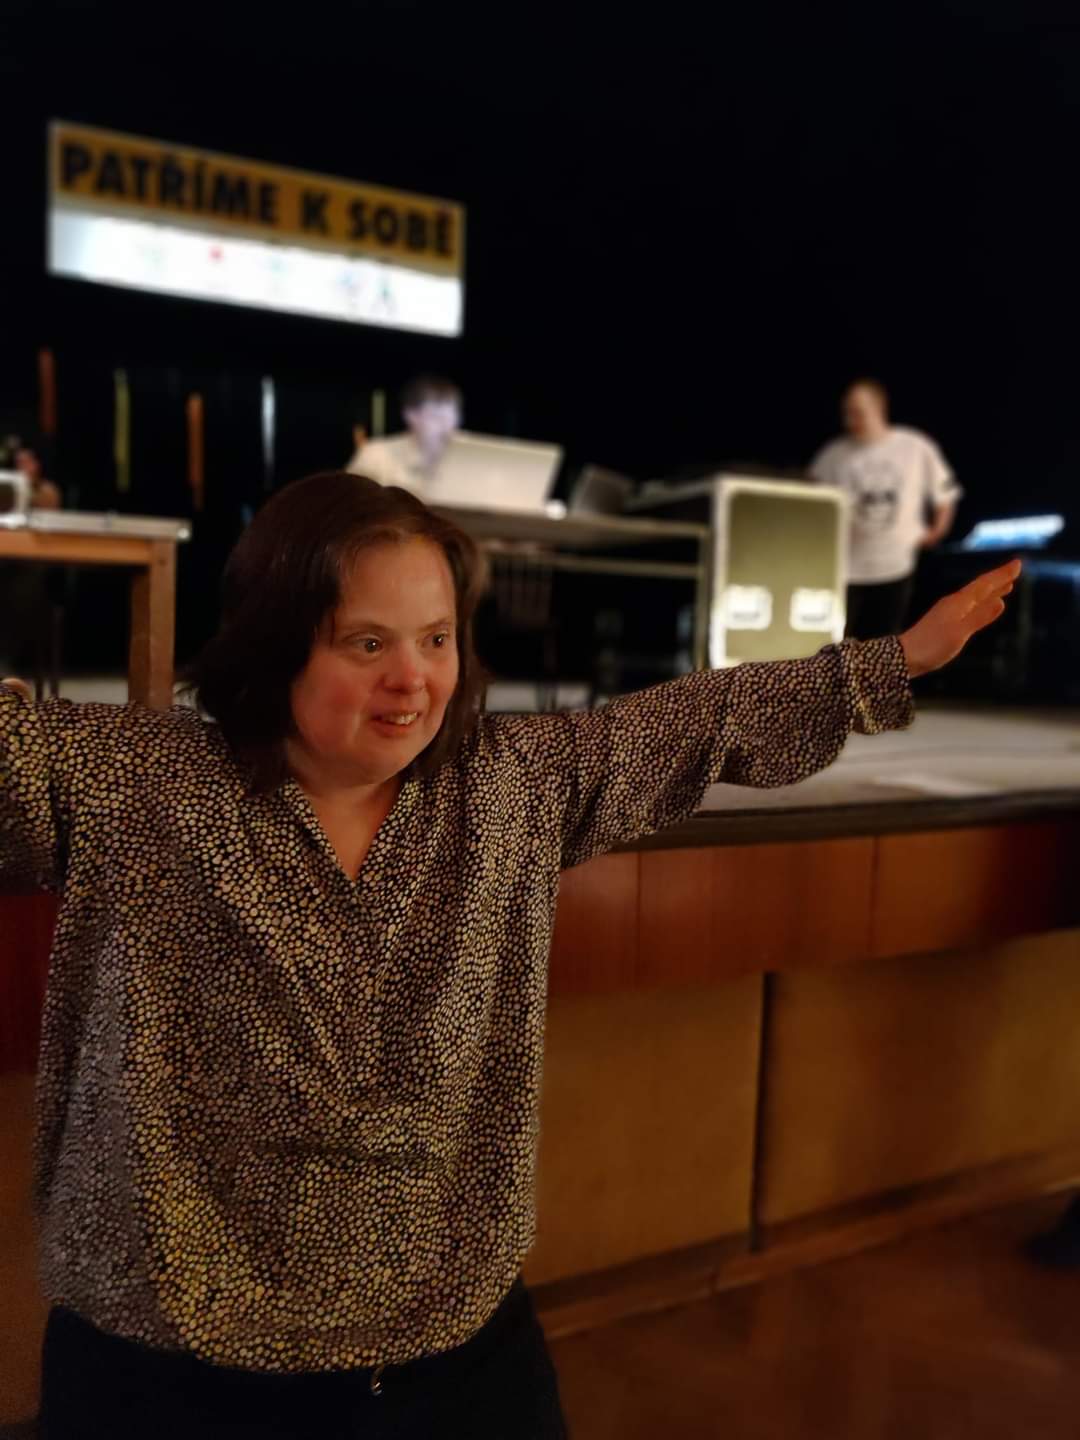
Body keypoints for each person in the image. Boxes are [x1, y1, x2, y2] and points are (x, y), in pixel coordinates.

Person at [1, 472, 1018, 1438]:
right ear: (273, 642)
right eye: (367, 643)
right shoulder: (136, 780)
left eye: (437, 638)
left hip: (445, 1342)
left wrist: (893, 662)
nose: (413, 680)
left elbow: (692, 724)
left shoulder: (504, 786)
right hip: (166, 1353)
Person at [809, 379, 962, 639]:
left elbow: (945, 493)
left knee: (883, 642)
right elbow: (811, 498)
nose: (850, 420)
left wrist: (937, 530)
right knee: (835, 642)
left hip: (895, 565)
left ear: (878, 408)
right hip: (846, 568)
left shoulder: (914, 446)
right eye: (847, 413)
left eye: (858, 412)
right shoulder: (833, 455)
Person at [0, 436, 62, 675]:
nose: (23, 466)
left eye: (28, 461)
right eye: (19, 462)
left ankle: (6, 658)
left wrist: (26, 486)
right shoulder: (5, 485)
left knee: (25, 584)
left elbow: (47, 512)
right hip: (5, 557)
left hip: (31, 562)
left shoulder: (47, 490)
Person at [347, 375, 462, 497]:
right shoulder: (375, 455)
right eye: (437, 417)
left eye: (452, 418)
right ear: (410, 415)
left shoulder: (466, 457)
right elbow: (350, 501)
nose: (447, 427)